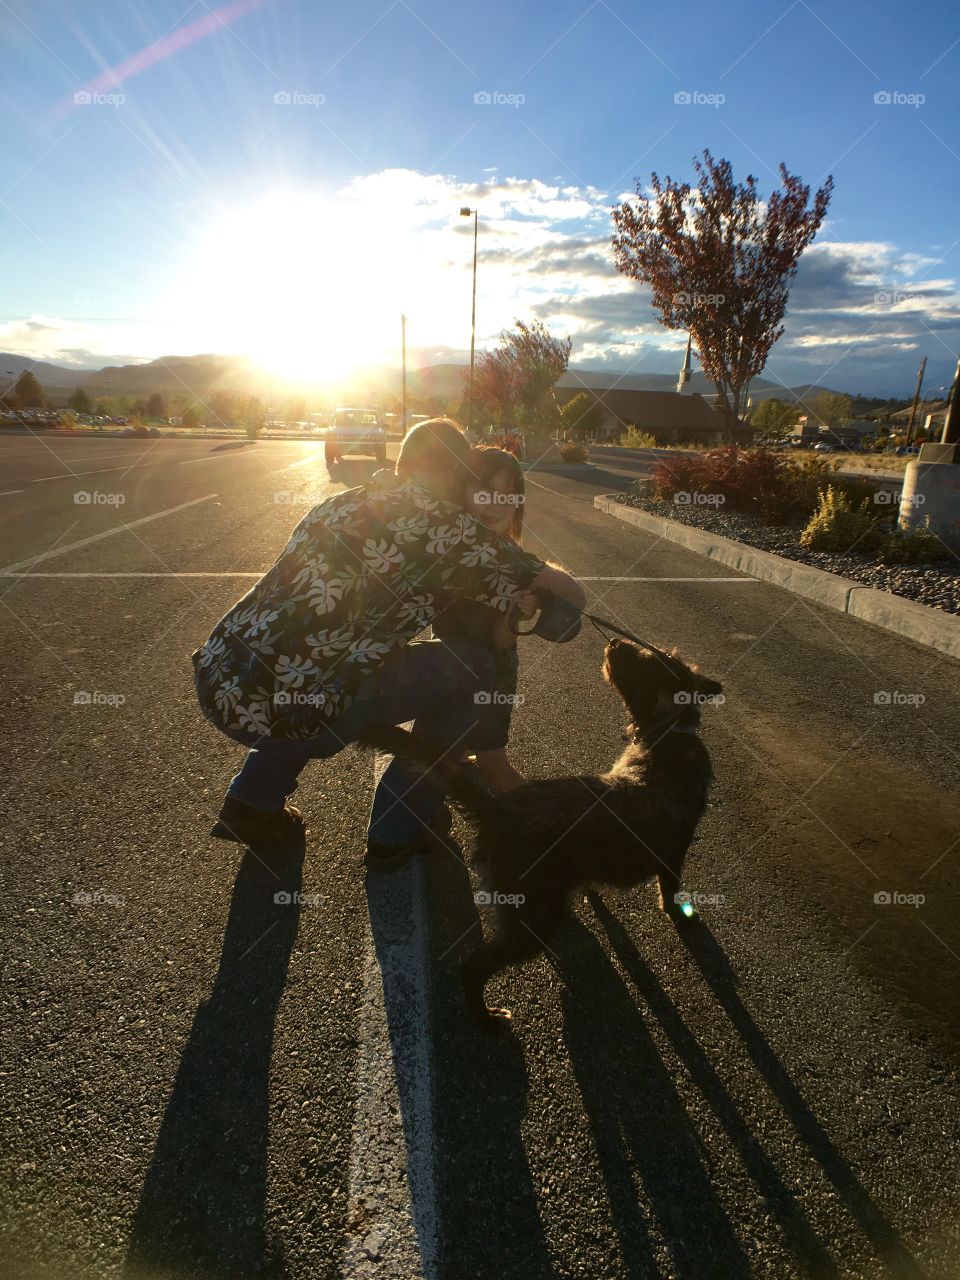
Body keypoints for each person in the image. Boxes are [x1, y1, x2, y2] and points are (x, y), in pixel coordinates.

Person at [193, 418, 585, 870]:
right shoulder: (453, 532)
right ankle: (397, 830)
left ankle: (251, 804)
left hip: (222, 680)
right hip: (305, 711)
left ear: (402, 462)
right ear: (459, 477)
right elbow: (574, 596)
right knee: (473, 668)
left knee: (303, 660)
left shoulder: (339, 503)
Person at [432, 447, 532, 793]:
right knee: (447, 751)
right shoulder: (447, 547)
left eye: (508, 496)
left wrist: (516, 610)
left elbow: (502, 642)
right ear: (461, 492)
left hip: (493, 678)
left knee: (492, 763)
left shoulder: (514, 563)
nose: (496, 504)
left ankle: (537, 825)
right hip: (448, 669)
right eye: (485, 491)